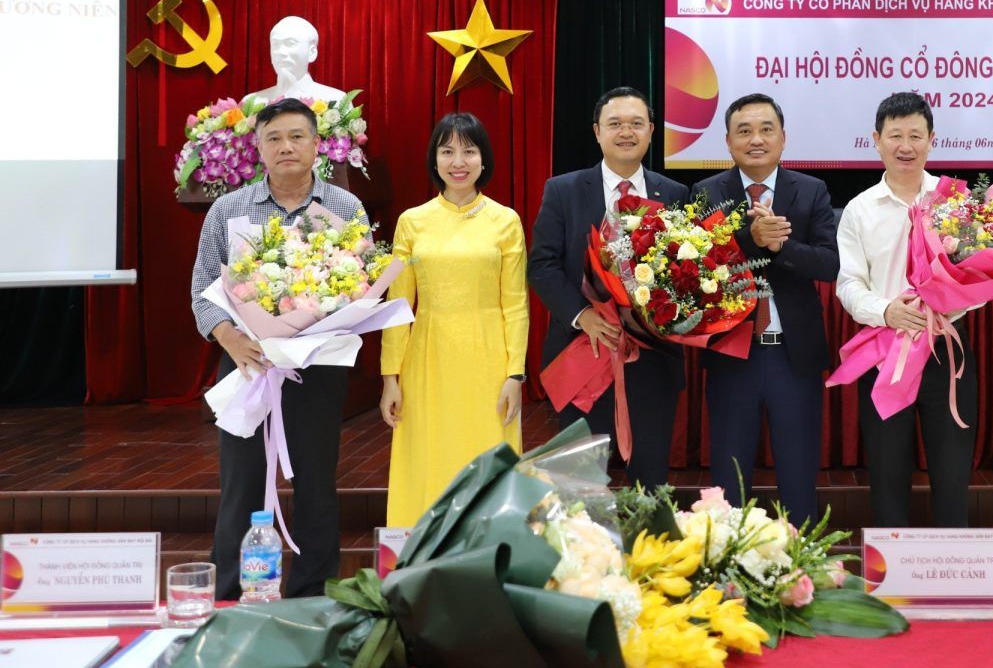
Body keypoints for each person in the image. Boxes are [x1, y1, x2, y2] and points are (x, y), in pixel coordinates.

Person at [190, 97, 364, 600]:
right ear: (259, 149)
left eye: (296, 136)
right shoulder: (228, 208)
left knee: (316, 482)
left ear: (317, 144)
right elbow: (202, 288)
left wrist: (320, 328)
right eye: (274, 138)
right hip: (247, 363)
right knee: (241, 482)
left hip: (315, 367)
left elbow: (362, 286)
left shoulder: (345, 208)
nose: (286, 146)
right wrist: (230, 337)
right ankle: (231, 593)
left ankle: (312, 595)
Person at [529, 87, 688, 489]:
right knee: (579, 481)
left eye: (636, 123)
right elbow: (542, 265)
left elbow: (685, 271)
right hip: (585, 350)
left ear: (651, 131)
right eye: (615, 124)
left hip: (652, 359)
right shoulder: (563, 190)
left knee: (650, 481)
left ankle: (649, 533)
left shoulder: (674, 194)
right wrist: (582, 316)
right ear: (597, 131)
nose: (626, 132)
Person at [694, 94, 839, 527]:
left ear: (783, 138)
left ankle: (800, 561)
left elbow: (829, 265)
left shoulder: (810, 190)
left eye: (766, 129)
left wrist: (780, 247)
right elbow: (697, 271)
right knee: (729, 481)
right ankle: (728, 563)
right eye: (744, 131)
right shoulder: (705, 193)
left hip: (793, 358)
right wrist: (750, 239)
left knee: (798, 477)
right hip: (732, 357)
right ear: (728, 141)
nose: (756, 139)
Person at [378, 112, 529, 528]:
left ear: (484, 159)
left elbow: (516, 305)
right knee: (426, 455)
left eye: (469, 151)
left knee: (488, 452)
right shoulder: (413, 221)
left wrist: (515, 374)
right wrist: (391, 377)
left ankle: (491, 549)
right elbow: (397, 305)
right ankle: (421, 553)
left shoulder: (505, 221)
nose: (458, 161)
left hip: (489, 360)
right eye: (447, 151)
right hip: (427, 360)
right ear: (434, 159)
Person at [835, 91, 977, 527]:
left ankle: (956, 566)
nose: (905, 146)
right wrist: (886, 311)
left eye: (916, 135)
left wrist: (952, 300)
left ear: (932, 140)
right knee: (887, 476)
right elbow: (848, 284)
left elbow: (984, 279)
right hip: (886, 352)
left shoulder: (956, 202)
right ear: (876, 140)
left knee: (953, 478)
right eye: (895, 135)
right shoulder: (859, 210)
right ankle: (889, 568)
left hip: (946, 351)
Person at [243, 15, 346, 105]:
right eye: (275, 44)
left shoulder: (336, 100)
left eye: (290, 43)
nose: (280, 52)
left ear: (312, 52)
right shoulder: (251, 102)